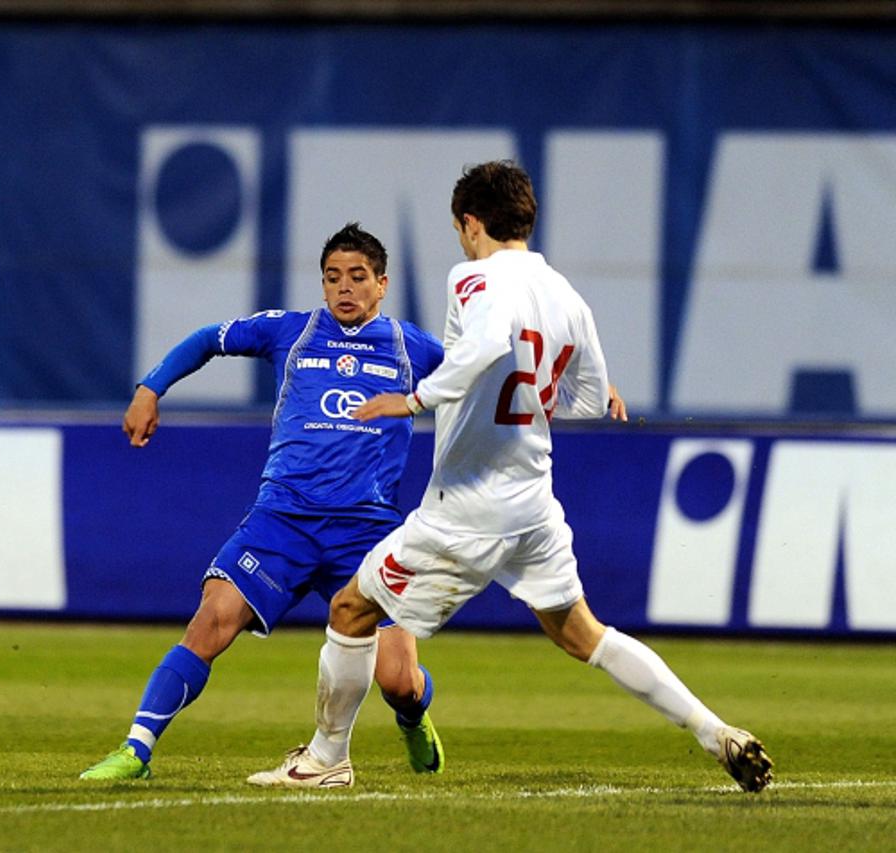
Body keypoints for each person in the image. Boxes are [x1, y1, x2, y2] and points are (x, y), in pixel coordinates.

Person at [248, 161, 774, 793]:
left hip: (463, 507)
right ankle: (716, 731)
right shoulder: (567, 298)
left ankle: (327, 760)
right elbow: (584, 402)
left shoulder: (471, 277)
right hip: (533, 504)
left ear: (471, 223)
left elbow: (488, 343)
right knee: (586, 635)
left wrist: (416, 400)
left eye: (458, 228)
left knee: (351, 609)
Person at [80, 223, 447, 782]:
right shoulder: (290, 332)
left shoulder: (412, 346)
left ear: (382, 284)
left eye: (357, 277)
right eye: (332, 277)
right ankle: (136, 750)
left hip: (366, 530)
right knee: (211, 620)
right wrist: (150, 388)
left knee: (398, 680)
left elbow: (482, 381)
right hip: (283, 520)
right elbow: (208, 338)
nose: (344, 288)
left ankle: (414, 718)